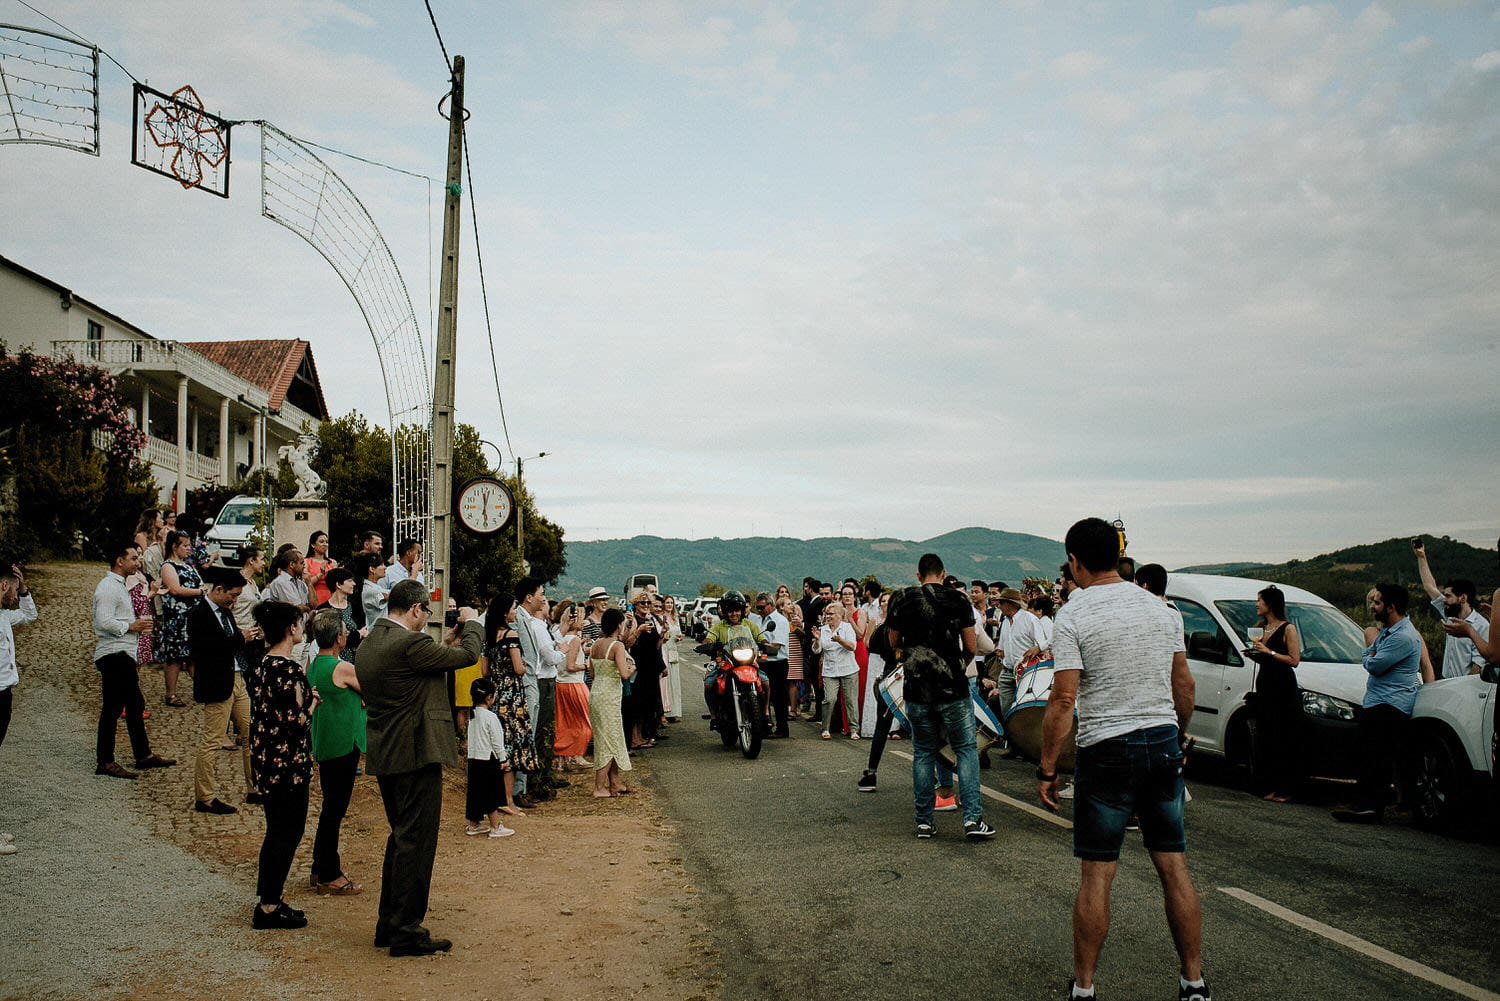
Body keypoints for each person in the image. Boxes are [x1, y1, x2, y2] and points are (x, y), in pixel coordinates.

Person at [1036, 518, 1208, 1001]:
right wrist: (1180, 735)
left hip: (1107, 748)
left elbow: (1063, 701)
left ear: (1074, 561)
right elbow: (1185, 686)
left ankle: (1085, 988)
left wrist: (1048, 767)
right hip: (1162, 743)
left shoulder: (1073, 613)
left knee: (1097, 873)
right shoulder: (1161, 609)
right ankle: (1193, 981)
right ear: (1117, 554)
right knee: (1173, 866)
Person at [356, 579, 483, 956]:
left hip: (387, 752)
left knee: (400, 838)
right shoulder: (410, 643)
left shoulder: (371, 642)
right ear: (415, 610)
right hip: (415, 752)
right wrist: (473, 623)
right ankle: (406, 930)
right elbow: (467, 658)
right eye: (427, 612)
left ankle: (389, 924)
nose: (428, 618)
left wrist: (448, 638)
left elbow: (422, 665)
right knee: (416, 842)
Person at [886, 554, 995, 840]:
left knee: (923, 752)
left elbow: (893, 642)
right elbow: (971, 645)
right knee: (966, 750)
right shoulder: (958, 600)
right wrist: (959, 663)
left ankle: (924, 821)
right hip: (952, 688)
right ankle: (973, 820)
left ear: (918, 575)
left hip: (917, 688)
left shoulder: (901, 599)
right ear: (943, 573)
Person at [246, 601, 316, 930]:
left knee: (277, 831)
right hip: (287, 762)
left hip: (266, 759)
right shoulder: (286, 670)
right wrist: (313, 703)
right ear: (291, 628)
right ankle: (269, 905)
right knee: (287, 832)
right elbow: (294, 722)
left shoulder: (262, 665)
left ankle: (269, 899)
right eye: (299, 623)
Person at [1332, 583, 1423, 824]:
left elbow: (1374, 664)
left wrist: (1368, 653)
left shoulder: (1403, 636)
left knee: (1377, 758)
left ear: (1391, 607)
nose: (1373, 606)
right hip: (1379, 702)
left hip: (1389, 706)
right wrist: (1372, 653)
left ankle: (1370, 807)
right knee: (1367, 755)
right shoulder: (1390, 631)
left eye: (1377, 602)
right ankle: (1363, 803)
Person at [92, 542, 175, 779]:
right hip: (114, 654)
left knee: (135, 703)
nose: (138, 562)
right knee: (113, 707)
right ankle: (106, 760)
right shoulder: (108, 587)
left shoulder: (120, 586)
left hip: (123, 653)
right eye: (134, 558)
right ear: (120, 560)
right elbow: (103, 622)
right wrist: (132, 626)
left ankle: (143, 754)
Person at [307, 609, 367, 895]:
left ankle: (320, 866)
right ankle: (329, 872)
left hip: (326, 741)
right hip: (344, 742)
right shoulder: (341, 667)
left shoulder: (314, 664)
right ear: (339, 637)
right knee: (335, 809)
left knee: (330, 807)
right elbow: (368, 690)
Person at [189, 566, 257, 814]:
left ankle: (254, 787)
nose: (235, 600)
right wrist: (242, 638)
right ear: (219, 590)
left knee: (251, 733)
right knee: (212, 740)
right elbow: (207, 649)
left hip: (237, 678)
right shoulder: (198, 614)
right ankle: (205, 796)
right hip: (218, 683)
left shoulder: (225, 611)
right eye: (234, 595)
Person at [1243, 585, 1302, 803]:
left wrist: (1271, 652)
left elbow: (1294, 660)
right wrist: (1254, 654)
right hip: (1265, 684)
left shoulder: (1288, 629)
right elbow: (1265, 658)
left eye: (1259, 600)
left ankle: (1285, 788)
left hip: (1282, 686)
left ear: (1270, 604)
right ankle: (1266, 784)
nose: (1256, 604)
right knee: (1266, 735)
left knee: (1283, 735)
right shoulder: (1260, 627)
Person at [484, 595, 538, 812]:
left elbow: (484, 672)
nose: (516, 611)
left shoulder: (488, 638)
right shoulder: (511, 634)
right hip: (513, 697)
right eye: (514, 608)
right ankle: (508, 801)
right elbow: (518, 669)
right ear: (506, 612)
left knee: (498, 746)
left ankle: (498, 798)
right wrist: (523, 665)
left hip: (496, 696)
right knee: (513, 748)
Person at [514, 577, 565, 798]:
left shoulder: (529, 621)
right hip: (533, 680)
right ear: (529, 597)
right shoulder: (521, 619)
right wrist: (563, 652)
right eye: (541, 594)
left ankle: (529, 783)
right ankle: (526, 785)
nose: (543, 598)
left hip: (536, 680)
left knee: (538, 732)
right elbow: (544, 656)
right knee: (534, 733)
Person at [1413, 539, 1489, 679]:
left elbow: (1477, 667)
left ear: (1463, 598)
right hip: (1447, 683)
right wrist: (1421, 557)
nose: (1444, 600)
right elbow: (1429, 586)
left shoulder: (1482, 626)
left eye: (1448, 596)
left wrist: (1462, 692)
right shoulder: (1450, 614)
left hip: (1465, 688)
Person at [587, 609, 636, 797]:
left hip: (596, 692)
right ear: (618, 625)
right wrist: (632, 668)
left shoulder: (595, 644)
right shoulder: (617, 646)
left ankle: (615, 782)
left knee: (610, 736)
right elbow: (624, 674)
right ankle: (599, 787)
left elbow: (591, 673)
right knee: (608, 739)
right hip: (609, 696)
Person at [157, 529, 206, 707]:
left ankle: (202, 689)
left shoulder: (188, 565)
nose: (189, 549)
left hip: (193, 617)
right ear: (174, 547)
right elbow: (175, 589)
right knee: (175, 657)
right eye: (184, 546)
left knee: (194, 654)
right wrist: (200, 592)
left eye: (189, 545)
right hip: (176, 618)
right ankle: (170, 694)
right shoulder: (168, 566)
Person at [465, 677, 515, 838]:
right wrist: (503, 759)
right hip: (488, 759)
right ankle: (495, 826)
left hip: (474, 759)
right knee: (491, 793)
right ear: (489, 697)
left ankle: (474, 824)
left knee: (475, 792)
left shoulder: (471, 716)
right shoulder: (490, 717)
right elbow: (496, 741)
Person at [0, 565, 37, 751]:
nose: (15, 598)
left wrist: (23, 589)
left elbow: (30, 615)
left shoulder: (4, 616)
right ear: (4, 585)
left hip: (5, 692)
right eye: (14, 591)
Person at [554, 605, 593, 768]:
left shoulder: (559, 637)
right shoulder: (574, 639)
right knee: (584, 722)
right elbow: (571, 666)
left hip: (561, 684)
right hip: (574, 684)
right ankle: (577, 754)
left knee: (564, 722)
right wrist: (586, 665)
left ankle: (563, 757)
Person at [816, 602, 860, 740]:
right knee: (829, 699)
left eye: (831, 614)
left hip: (848, 669)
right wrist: (817, 640)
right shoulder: (823, 629)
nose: (828, 616)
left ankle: (854, 730)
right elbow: (817, 650)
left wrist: (840, 640)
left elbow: (852, 646)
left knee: (851, 700)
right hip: (830, 670)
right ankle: (825, 728)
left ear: (840, 615)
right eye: (827, 614)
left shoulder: (847, 628)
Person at [759, 594, 790, 738]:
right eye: (757, 608)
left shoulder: (780, 621)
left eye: (762, 607)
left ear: (771, 605)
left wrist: (760, 645)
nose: (759, 610)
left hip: (777, 662)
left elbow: (776, 646)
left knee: (779, 697)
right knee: (763, 696)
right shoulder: (761, 620)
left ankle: (782, 728)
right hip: (763, 662)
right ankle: (765, 726)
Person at [319, 568, 364, 664]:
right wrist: (357, 634)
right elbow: (329, 638)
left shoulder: (355, 606)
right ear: (338, 584)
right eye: (350, 580)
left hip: (357, 659)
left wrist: (357, 635)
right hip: (333, 661)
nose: (354, 584)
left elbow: (364, 631)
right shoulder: (323, 609)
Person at [661, 595, 685, 721]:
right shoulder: (662, 618)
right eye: (667, 602)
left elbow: (679, 633)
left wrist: (680, 638)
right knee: (666, 681)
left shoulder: (675, 617)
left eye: (671, 603)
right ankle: (666, 711)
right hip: (665, 649)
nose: (669, 605)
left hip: (673, 650)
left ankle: (674, 711)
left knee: (675, 681)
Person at [303, 531, 338, 608]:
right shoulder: (306, 561)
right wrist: (321, 574)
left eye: (326, 542)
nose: (325, 544)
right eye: (321, 542)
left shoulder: (332, 562)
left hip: (331, 598)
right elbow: (306, 583)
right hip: (313, 598)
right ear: (313, 545)